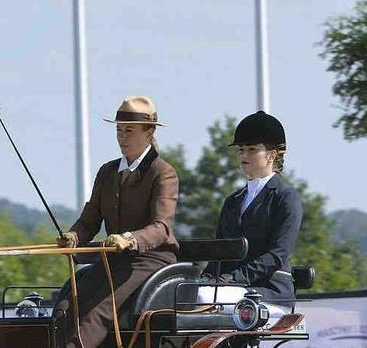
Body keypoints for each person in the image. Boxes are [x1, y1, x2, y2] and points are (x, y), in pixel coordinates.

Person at [52, 96, 180, 348]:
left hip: (150, 260)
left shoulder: (163, 172)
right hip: (113, 261)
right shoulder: (107, 172)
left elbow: (161, 228)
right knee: (64, 308)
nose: (122, 137)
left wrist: (130, 239)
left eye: (129, 130)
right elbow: (89, 221)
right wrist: (73, 237)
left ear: (149, 131)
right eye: (118, 130)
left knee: (96, 312)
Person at [202, 111, 302, 302]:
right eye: (241, 150)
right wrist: (206, 277)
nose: (244, 155)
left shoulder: (286, 197)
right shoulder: (232, 201)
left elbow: (277, 254)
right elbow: (219, 252)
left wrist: (234, 278)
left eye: (252, 149)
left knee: (207, 298)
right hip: (230, 287)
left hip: (268, 289)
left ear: (271, 155)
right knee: (187, 295)